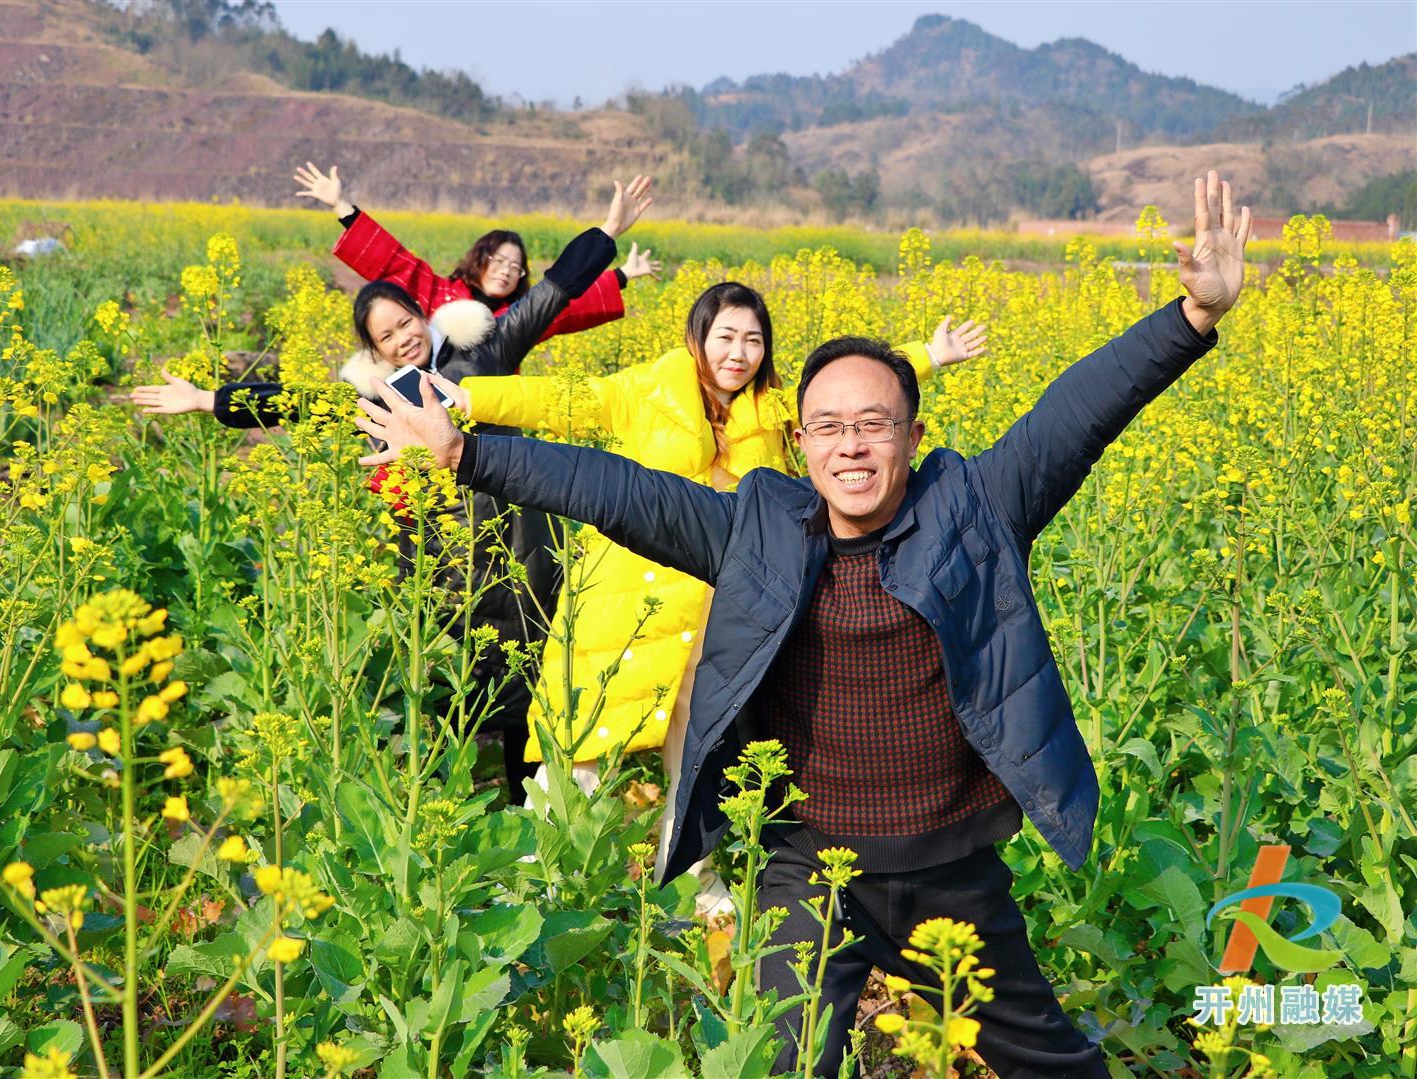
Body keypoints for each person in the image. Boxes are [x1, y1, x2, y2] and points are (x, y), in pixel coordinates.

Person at [352, 171, 1250, 1078]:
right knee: (779, 1061)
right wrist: (467, 453)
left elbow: (1078, 412)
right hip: (808, 869)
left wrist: (1192, 317)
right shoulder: (757, 526)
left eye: (873, 424)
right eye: (827, 426)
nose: (850, 445)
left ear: (912, 432)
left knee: (1048, 1062)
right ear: (802, 440)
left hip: (950, 868)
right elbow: (614, 488)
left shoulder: (975, 503)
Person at [445, 281, 986, 913]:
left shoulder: (774, 410)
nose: (739, 352)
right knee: (581, 741)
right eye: (726, 336)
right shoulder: (643, 390)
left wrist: (928, 353)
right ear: (698, 337)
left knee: (697, 751)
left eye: (753, 340)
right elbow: (560, 397)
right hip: (626, 601)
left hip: (713, 608)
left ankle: (689, 887)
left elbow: (849, 402)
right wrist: (464, 395)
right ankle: (535, 882)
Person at [131, 178, 654, 805]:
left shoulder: (486, 349)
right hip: (440, 555)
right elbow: (297, 404)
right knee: (457, 677)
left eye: (406, 322)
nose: (403, 337)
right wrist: (207, 400)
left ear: (424, 317)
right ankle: (456, 812)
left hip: (522, 541)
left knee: (531, 673)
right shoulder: (379, 398)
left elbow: (551, 293)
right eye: (386, 336)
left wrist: (608, 231)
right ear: (375, 351)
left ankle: (531, 813)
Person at [293, 162, 660, 341]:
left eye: (515, 267)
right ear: (478, 260)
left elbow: (564, 302)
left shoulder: (515, 320)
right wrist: (342, 205)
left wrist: (622, 274)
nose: (505, 270)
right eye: (498, 260)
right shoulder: (437, 294)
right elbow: (392, 261)